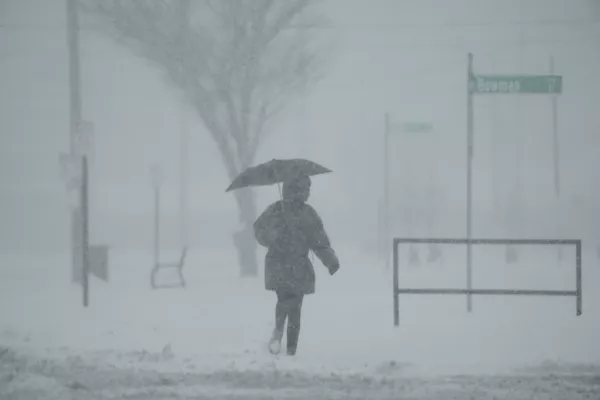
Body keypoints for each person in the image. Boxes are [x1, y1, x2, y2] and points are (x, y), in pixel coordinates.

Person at [253, 174, 339, 356]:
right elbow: (319, 241)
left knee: (284, 300)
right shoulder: (308, 213)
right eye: (307, 189)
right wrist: (330, 260)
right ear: (298, 191)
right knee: (295, 307)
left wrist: (270, 237)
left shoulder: (275, 210)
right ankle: (291, 348)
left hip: (277, 265)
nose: (308, 193)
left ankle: (278, 331)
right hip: (297, 266)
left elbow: (259, 229)